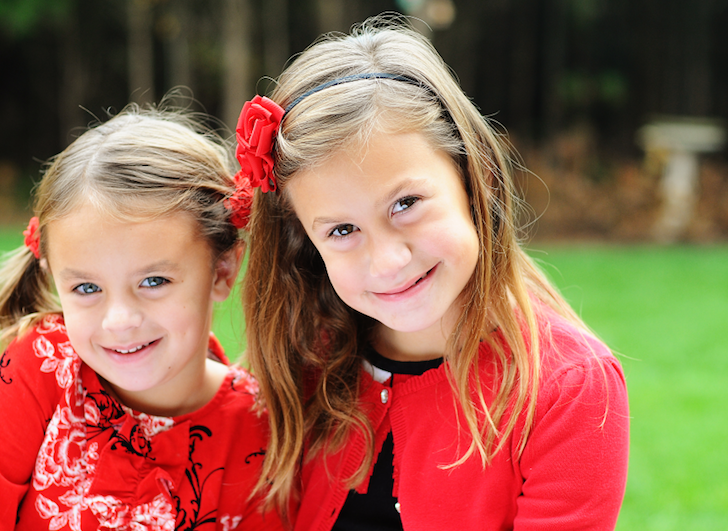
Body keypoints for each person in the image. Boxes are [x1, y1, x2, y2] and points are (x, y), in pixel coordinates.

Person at [235, 16, 630, 530]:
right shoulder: (301, 361)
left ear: (475, 178)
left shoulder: (568, 389)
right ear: (305, 242)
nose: (389, 260)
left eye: (406, 203)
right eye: (341, 231)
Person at [0, 104, 283, 530]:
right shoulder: (43, 366)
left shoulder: (257, 427)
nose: (119, 320)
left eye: (153, 281)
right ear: (54, 277)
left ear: (222, 270)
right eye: (87, 289)